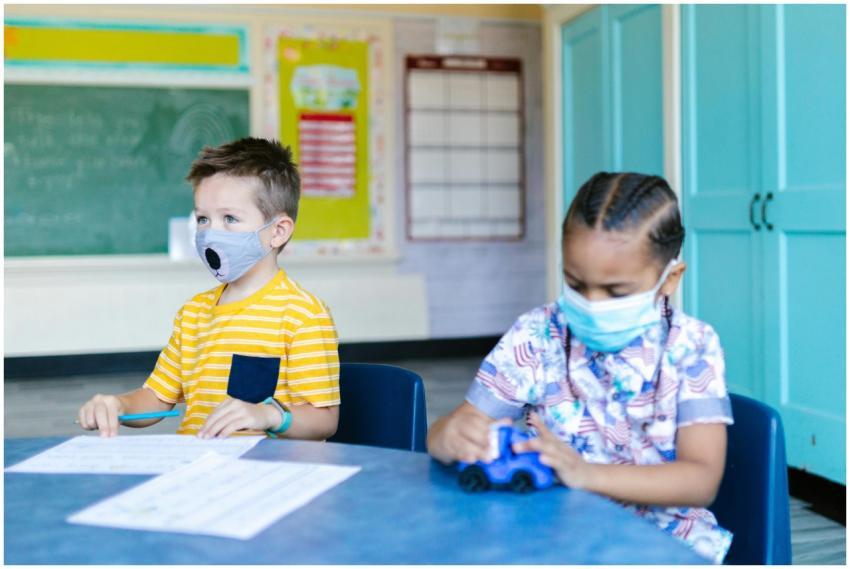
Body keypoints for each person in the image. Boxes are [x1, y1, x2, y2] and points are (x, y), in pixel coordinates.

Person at [427, 172, 734, 563]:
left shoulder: (692, 347)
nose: (591, 304)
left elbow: (700, 480)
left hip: (661, 542)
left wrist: (587, 474)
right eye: (575, 284)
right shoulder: (538, 334)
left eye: (616, 291)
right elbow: (459, 424)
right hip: (552, 532)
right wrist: (446, 437)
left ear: (669, 279)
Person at [78, 137, 339, 441]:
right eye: (203, 218)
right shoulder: (193, 313)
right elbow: (157, 397)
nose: (211, 233)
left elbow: (323, 420)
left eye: (230, 218)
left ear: (278, 231)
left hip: (264, 466)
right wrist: (118, 405)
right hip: (197, 463)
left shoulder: (303, 315)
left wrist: (268, 415)